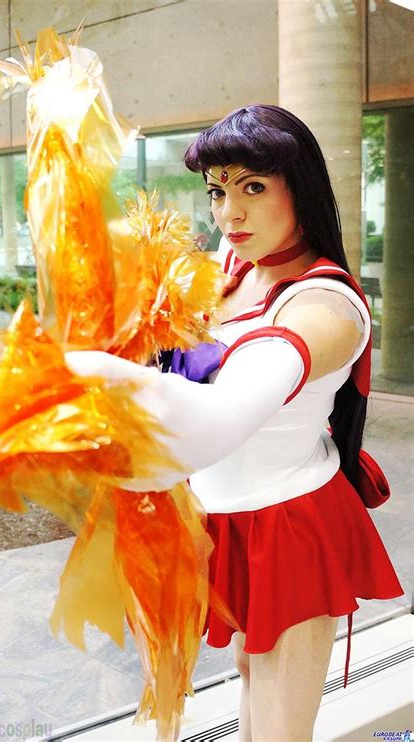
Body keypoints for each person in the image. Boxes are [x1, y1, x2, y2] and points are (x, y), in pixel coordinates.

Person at [65, 105, 404, 741]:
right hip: (222, 511)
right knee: (249, 673)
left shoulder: (325, 305)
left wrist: (82, 383)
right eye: (218, 191)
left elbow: (219, 418)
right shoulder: (235, 265)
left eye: (253, 188)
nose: (230, 214)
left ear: (299, 187)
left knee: (279, 721)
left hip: (288, 521)